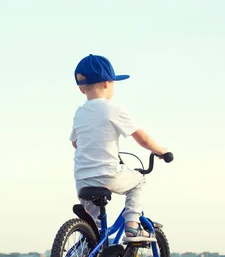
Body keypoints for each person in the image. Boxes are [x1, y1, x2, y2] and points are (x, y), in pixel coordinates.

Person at [70, 54, 168, 242]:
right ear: (107, 83)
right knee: (138, 182)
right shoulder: (114, 109)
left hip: (82, 179)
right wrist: (161, 151)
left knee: (95, 229)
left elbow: (75, 143)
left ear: (82, 88)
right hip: (108, 174)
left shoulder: (80, 112)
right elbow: (143, 139)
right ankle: (132, 225)